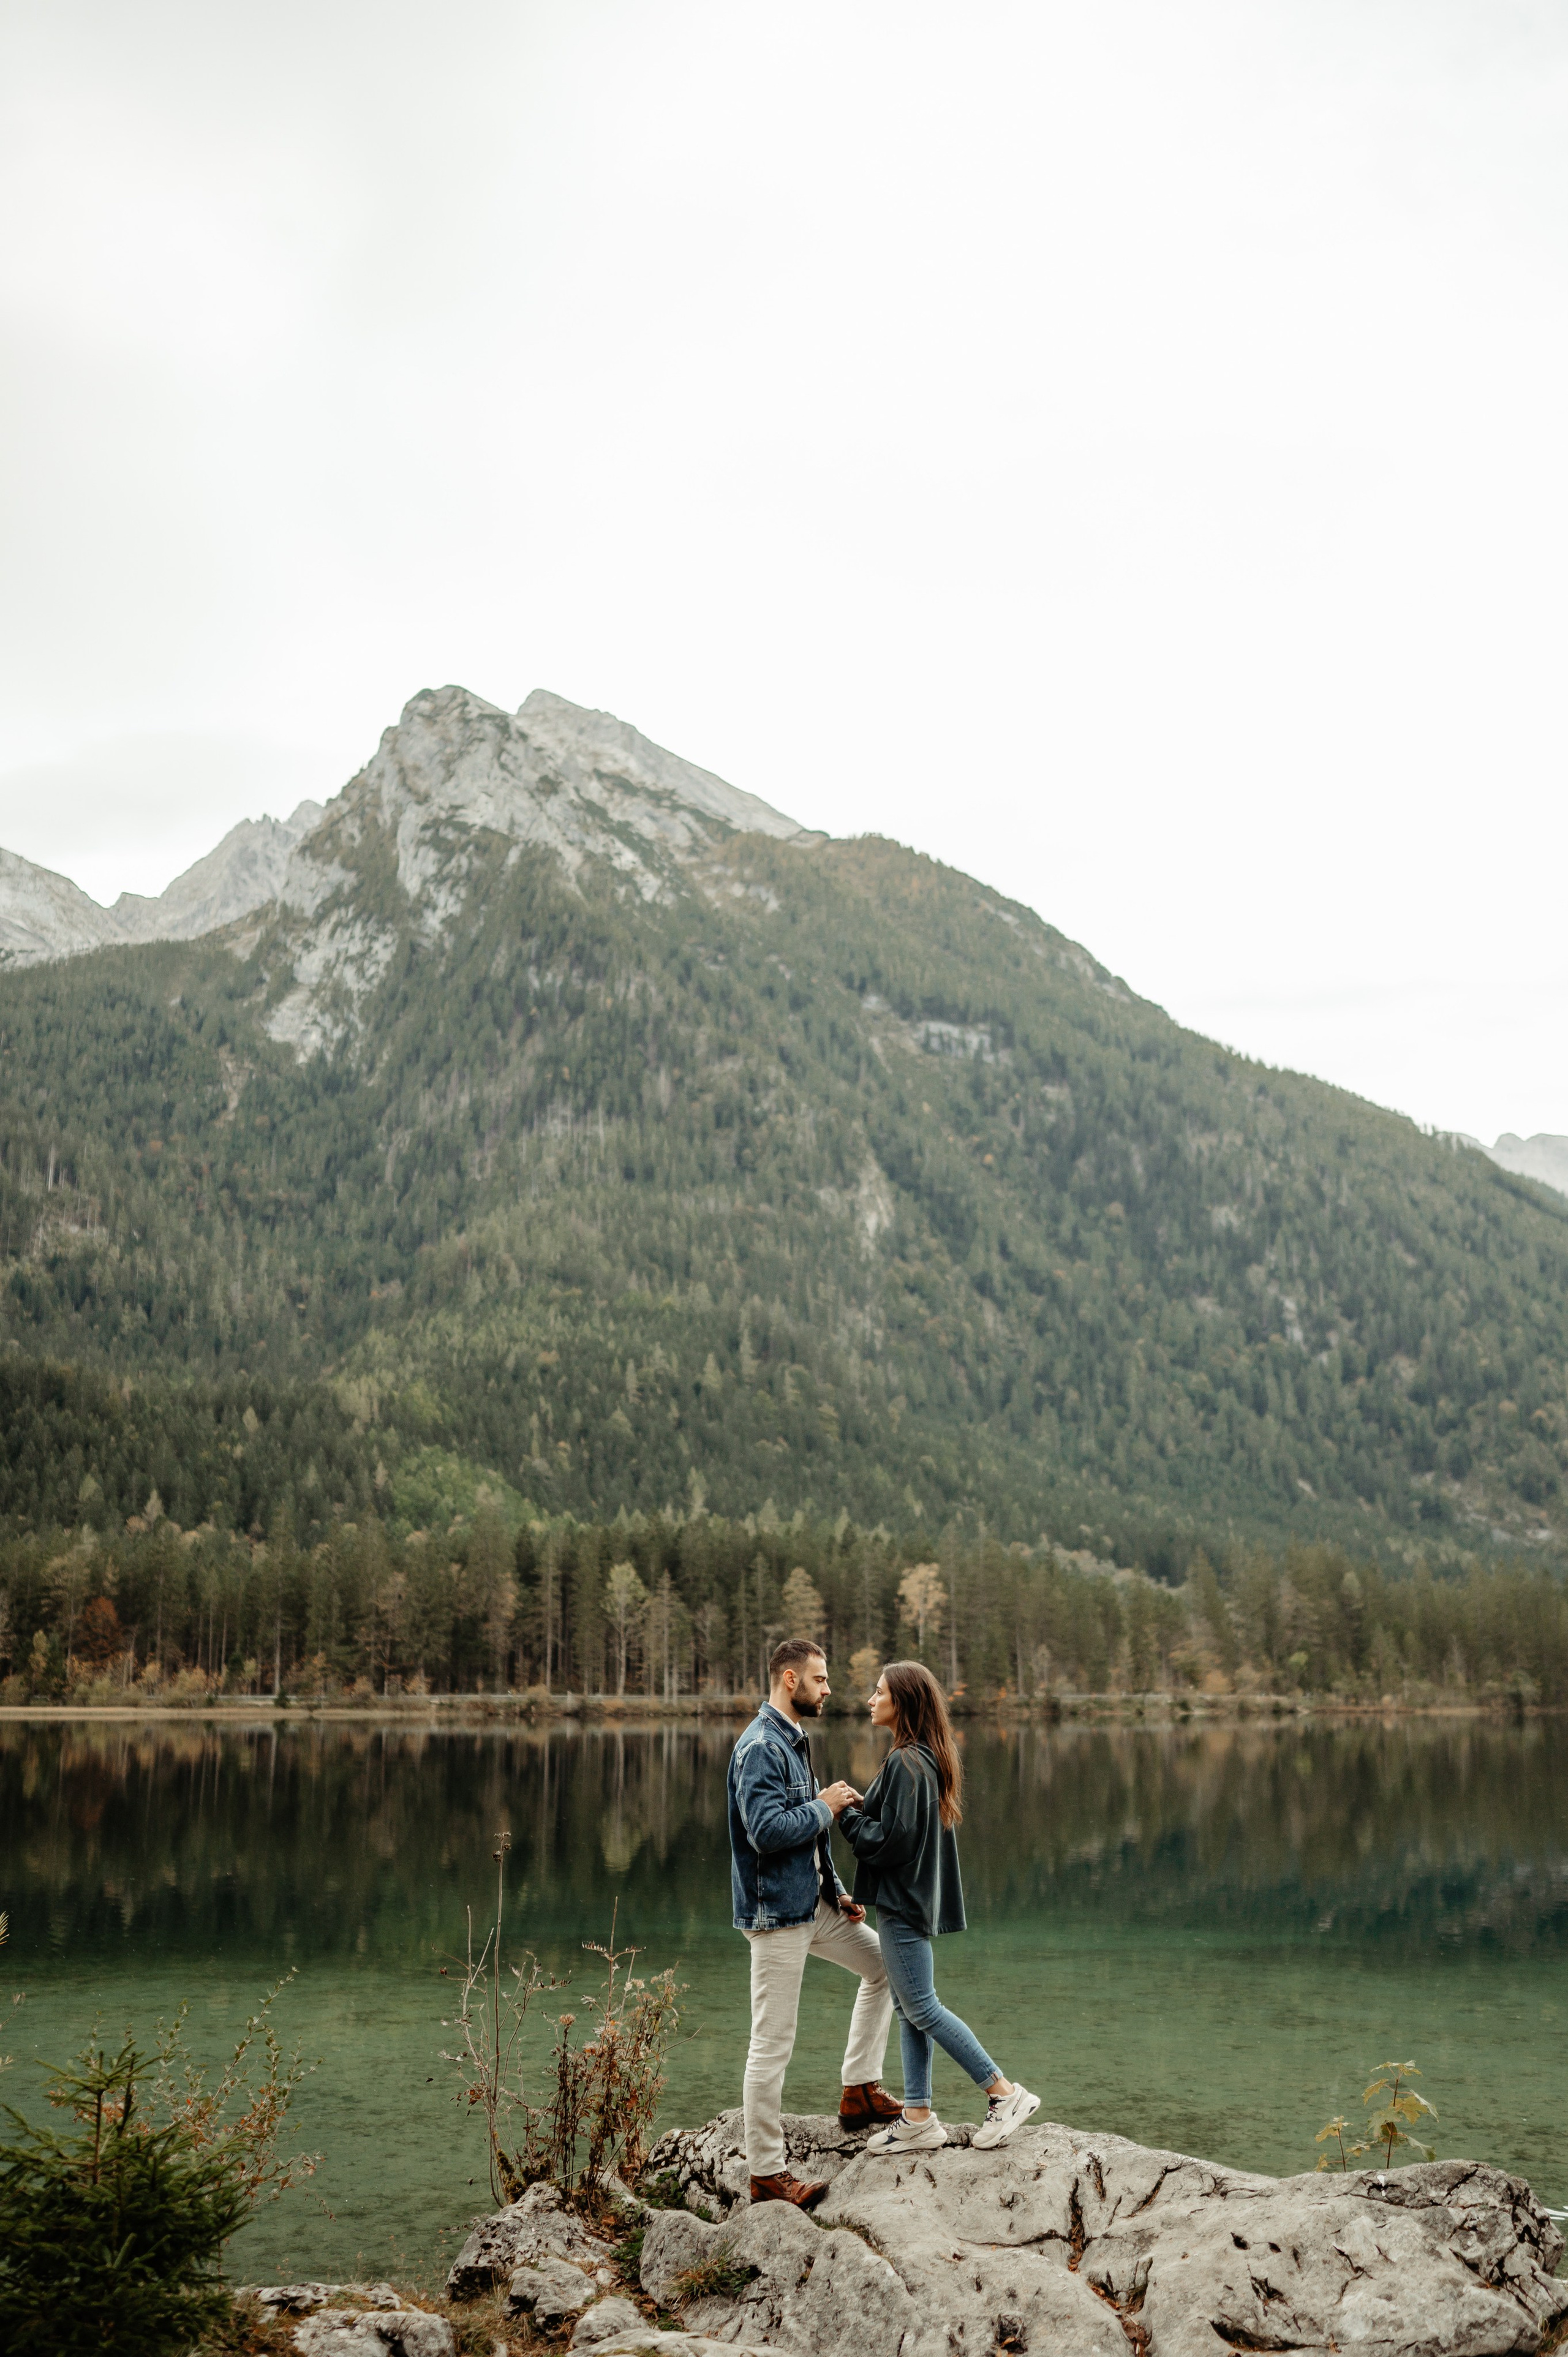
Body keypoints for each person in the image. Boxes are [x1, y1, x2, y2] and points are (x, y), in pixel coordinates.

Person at [727, 1637, 902, 2206]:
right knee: (771, 2045)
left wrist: (838, 1889)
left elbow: (809, 1835)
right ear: (790, 1680)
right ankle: (766, 2175)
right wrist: (826, 1805)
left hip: (814, 1904)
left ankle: (859, 2090)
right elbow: (766, 1832)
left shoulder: (792, 1739)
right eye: (820, 1679)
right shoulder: (761, 1746)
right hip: (776, 1915)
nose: (829, 1689)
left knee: (886, 1966)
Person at [838, 1659, 1039, 2154]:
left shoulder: (907, 1762)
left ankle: (1004, 2093)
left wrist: (843, 1817)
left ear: (903, 1702)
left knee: (922, 2007)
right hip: (909, 1899)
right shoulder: (919, 1758)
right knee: (910, 2009)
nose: (870, 1700)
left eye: (879, 1692)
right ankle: (918, 2117)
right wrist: (864, 1807)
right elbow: (901, 1828)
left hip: (903, 1902)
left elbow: (893, 1843)